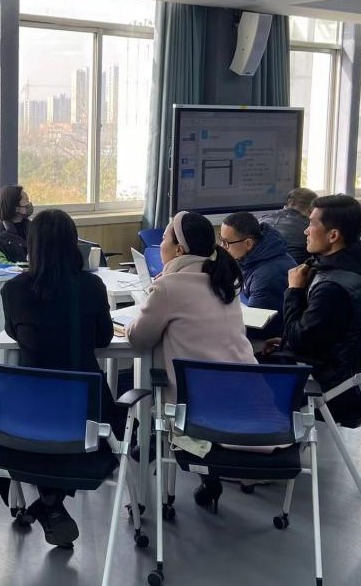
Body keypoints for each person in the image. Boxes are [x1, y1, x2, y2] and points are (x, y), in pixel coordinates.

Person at [0, 208, 118, 548]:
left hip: (28, 416)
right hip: (87, 413)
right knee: (107, 422)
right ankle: (50, 501)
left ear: (32, 246)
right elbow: (104, 338)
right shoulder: (91, 286)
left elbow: (13, 332)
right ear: (72, 244)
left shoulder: (14, 289)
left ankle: (48, 501)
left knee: (44, 429)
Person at [126, 211, 256, 511]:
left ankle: (158, 460)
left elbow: (138, 338)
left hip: (193, 407)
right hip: (246, 398)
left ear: (178, 250)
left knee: (161, 389)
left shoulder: (169, 287)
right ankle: (206, 475)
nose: (160, 244)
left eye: (164, 238)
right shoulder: (223, 280)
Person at [266, 195, 361, 425]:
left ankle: (273, 441)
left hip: (341, 395)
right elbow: (338, 330)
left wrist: (294, 291)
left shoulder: (331, 287)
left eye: (311, 224)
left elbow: (300, 342)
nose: (305, 231)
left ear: (333, 235)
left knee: (252, 364)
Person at [220, 212, 296, 339]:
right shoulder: (250, 257)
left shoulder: (268, 276)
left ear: (248, 244)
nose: (222, 247)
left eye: (226, 242)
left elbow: (256, 326)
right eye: (221, 239)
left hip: (269, 341)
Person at [262, 187, 317, 264]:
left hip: (256, 270)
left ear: (290, 203)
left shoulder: (261, 220)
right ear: (312, 209)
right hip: (293, 269)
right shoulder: (310, 227)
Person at [0, 185, 32, 264]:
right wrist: (26, 267)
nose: (29, 204)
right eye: (26, 200)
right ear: (14, 207)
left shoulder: (33, 228)